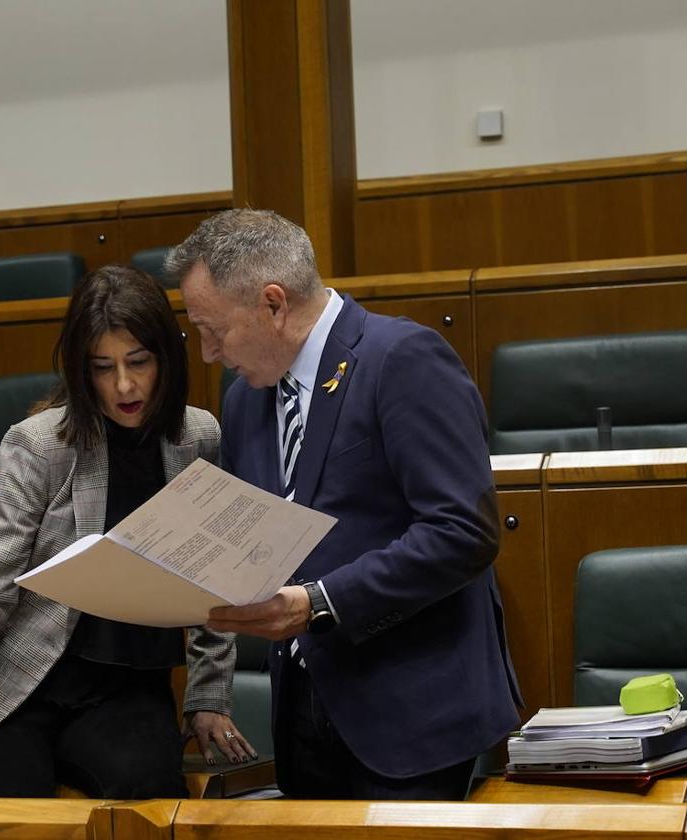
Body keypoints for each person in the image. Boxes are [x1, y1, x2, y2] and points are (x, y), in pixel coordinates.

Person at [165, 209, 521, 801]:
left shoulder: (401, 358)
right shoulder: (245, 402)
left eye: (213, 330)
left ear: (273, 304)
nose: (206, 353)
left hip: (410, 716)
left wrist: (321, 604)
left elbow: (463, 530)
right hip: (303, 721)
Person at [0, 265, 255, 798]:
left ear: (167, 357)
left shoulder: (199, 437)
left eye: (139, 362)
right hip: (18, 685)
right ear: (80, 371)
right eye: (103, 367)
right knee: (7, 813)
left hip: (126, 687)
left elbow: (214, 581)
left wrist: (208, 698)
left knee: (148, 793)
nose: (124, 385)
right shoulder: (38, 447)